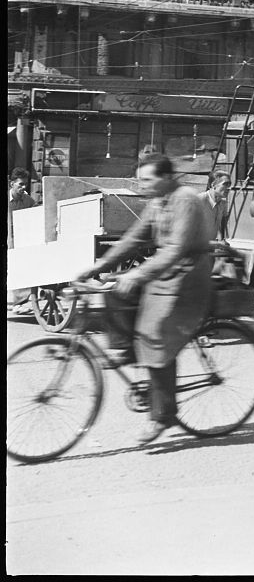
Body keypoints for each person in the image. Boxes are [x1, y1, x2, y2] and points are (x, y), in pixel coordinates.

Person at [74, 154, 213, 445]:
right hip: (166, 270)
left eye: (147, 180)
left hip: (190, 275)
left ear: (166, 178)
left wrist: (137, 275)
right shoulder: (157, 202)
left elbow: (175, 249)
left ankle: (162, 415)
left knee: (155, 334)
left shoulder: (185, 200)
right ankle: (128, 350)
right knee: (113, 290)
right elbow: (133, 239)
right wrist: (99, 267)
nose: (142, 185)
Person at [7, 168, 36, 314]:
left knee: (20, 268)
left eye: (25, 184)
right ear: (11, 184)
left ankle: (19, 304)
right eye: (20, 184)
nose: (24, 187)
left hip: (18, 239)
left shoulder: (28, 200)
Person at [199, 170, 231, 244]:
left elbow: (222, 221)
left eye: (229, 184)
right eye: (225, 184)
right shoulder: (200, 200)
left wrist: (221, 240)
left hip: (210, 245)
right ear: (213, 185)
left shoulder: (223, 203)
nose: (228, 188)